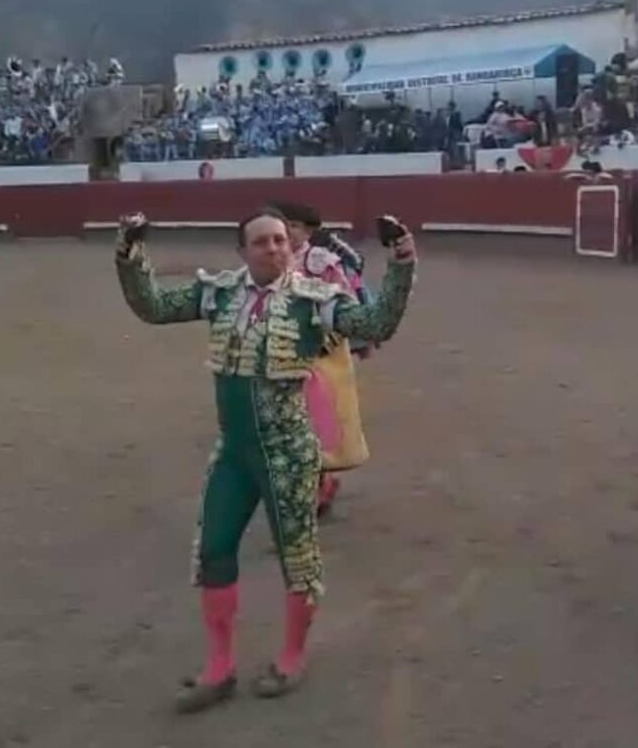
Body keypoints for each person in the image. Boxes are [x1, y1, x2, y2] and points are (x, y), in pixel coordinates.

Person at [115, 207, 415, 710]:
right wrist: (129, 254)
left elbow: (377, 320)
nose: (274, 248)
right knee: (212, 550)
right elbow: (153, 306)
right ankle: (219, 667)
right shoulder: (221, 292)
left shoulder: (313, 301)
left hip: (289, 453)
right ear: (242, 251)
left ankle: (292, 657)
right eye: (262, 242)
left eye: (280, 240)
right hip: (234, 453)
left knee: (298, 560)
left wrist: (403, 261)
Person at [268, 200, 370, 518]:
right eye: (284, 227)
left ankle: (317, 484)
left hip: (322, 355)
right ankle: (315, 483)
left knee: (315, 422)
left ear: (309, 230)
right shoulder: (274, 261)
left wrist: (347, 337)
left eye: (294, 227)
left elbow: (347, 301)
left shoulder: (321, 261)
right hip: (283, 351)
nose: (287, 233)